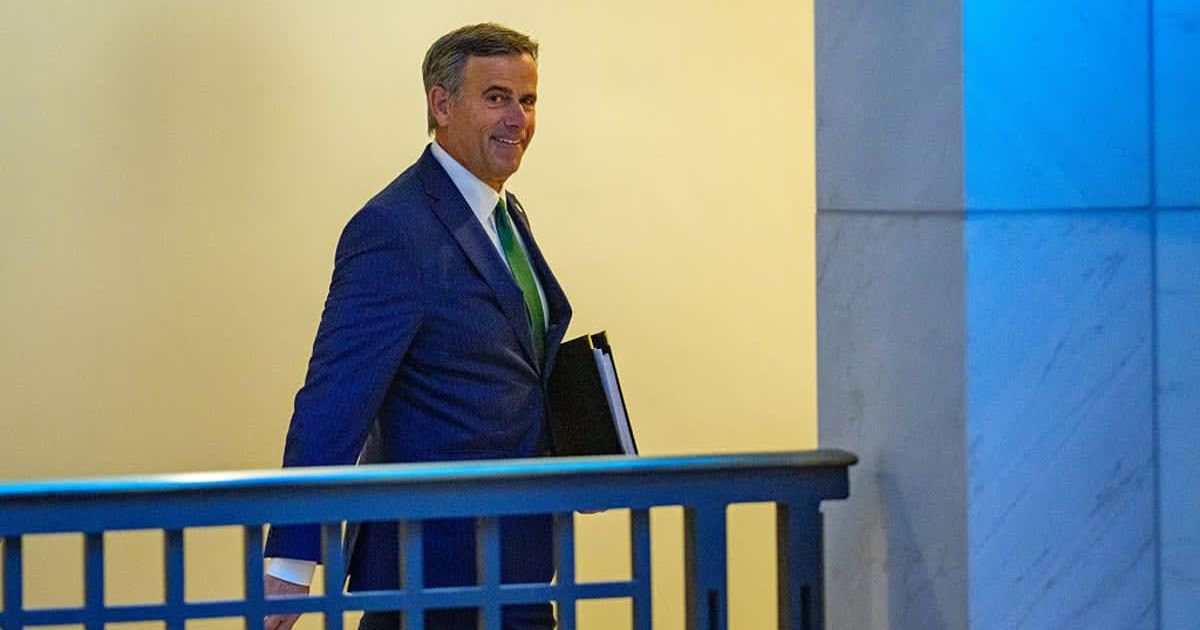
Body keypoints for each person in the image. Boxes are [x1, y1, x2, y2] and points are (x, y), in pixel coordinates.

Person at [261, 23, 571, 630]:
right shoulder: (393, 228)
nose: (517, 119)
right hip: (428, 570)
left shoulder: (505, 215)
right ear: (441, 103)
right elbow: (336, 396)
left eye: (527, 100)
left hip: (518, 558)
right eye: (497, 97)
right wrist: (292, 559)